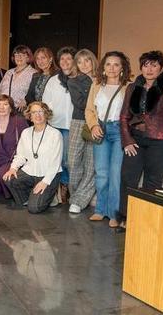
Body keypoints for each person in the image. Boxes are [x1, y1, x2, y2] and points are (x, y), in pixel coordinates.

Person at [118, 51, 163, 229]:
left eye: (154, 65)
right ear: (141, 68)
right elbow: (124, 116)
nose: (149, 69)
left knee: (152, 182)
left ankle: (146, 221)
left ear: (161, 68)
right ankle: (126, 218)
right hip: (136, 139)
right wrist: (127, 140)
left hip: (160, 141)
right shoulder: (133, 87)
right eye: (146, 65)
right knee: (128, 178)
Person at [85, 51, 131, 227]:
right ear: (103, 67)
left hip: (119, 131)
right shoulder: (96, 85)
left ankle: (114, 214)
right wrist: (93, 126)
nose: (112, 68)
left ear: (122, 68)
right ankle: (100, 210)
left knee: (115, 173)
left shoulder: (129, 87)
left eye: (116, 64)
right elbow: (89, 110)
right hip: (101, 129)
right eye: (108, 64)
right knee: (102, 173)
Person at [3, 101, 64, 214]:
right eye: (34, 112)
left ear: (46, 114)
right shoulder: (26, 132)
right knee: (9, 178)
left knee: (34, 208)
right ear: (30, 116)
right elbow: (21, 155)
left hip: (48, 174)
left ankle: (48, 196)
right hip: (30, 172)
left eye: (41, 112)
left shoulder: (55, 134)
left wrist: (45, 182)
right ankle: (35, 196)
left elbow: (55, 163)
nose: (37, 115)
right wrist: (13, 168)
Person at [40, 47, 76, 203]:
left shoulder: (79, 79)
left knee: (68, 160)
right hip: (55, 125)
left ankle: (67, 186)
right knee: (55, 159)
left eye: (69, 58)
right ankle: (57, 188)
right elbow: (46, 103)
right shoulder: (54, 80)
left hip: (72, 126)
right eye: (62, 59)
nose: (65, 62)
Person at [66, 49, 98, 214]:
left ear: (93, 61)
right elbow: (81, 103)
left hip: (97, 123)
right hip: (79, 122)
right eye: (79, 62)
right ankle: (78, 196)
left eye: (87, 60)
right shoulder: (73, 81)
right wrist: (93, 87)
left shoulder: (103, 80)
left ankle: (79, 200)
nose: (84, 65)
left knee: (91, 163)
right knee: (73, 162)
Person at [0, 45, 38, 113]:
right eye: (16, 55)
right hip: (4, 109)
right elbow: (1, 89)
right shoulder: (9, 72)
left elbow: (36, 93)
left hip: (21, 110)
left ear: (28, 57)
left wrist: (26, 101)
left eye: (22, 55)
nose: (19, 57)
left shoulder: (34, 73)